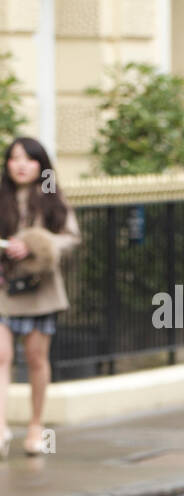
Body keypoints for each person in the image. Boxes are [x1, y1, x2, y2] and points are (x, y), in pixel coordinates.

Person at [0, 137, 81, 458]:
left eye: (28, 159)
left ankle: (36, 427)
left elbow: (71, 238)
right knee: (1, 356)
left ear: (41, 164)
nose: (20, 165)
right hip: (4, 288)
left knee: (35, 359)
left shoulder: (50, 195)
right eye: (14, 158)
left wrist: (36, 244)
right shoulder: (2, 196)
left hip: (40, 291)